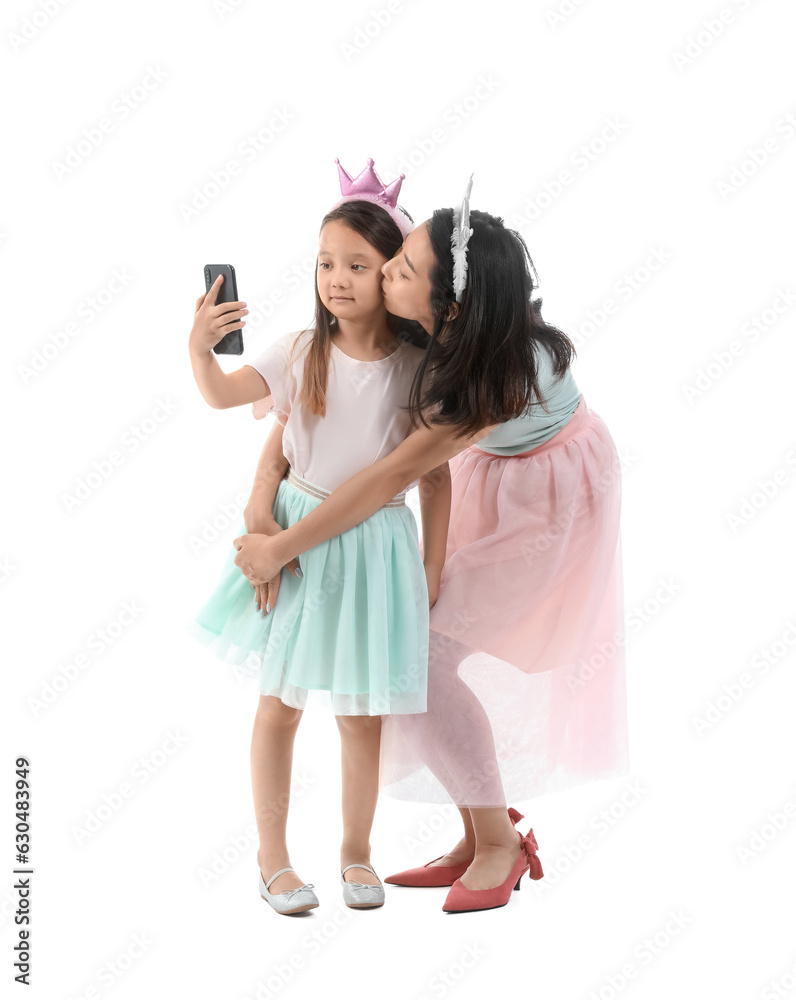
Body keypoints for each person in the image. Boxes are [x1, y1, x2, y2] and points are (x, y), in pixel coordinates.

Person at [233, 182, 629, 913]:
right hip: (500, 473)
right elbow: (310, 420)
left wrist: (283, 542)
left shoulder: (488, 381)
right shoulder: (438, 333)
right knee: (418, 656)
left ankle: (499, 840)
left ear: (446, 307)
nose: (380, 275)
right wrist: (263, 491)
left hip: (549, 499)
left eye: (398, 270)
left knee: (420, 656)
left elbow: (388, 474)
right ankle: (483, 828)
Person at [187, 159, 448, 915]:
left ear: (392, 277)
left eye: (359, 265)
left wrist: (431, 565)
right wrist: (202, 350)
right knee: (282, 701)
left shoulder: (413, 368)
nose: (338, 278)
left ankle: (357, 853)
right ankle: (272, 856)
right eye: (327, 262)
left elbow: (434, 475)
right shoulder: (302, 351)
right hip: (297, 539)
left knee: (362, 713)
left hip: (375, 550)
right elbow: (225, 395)